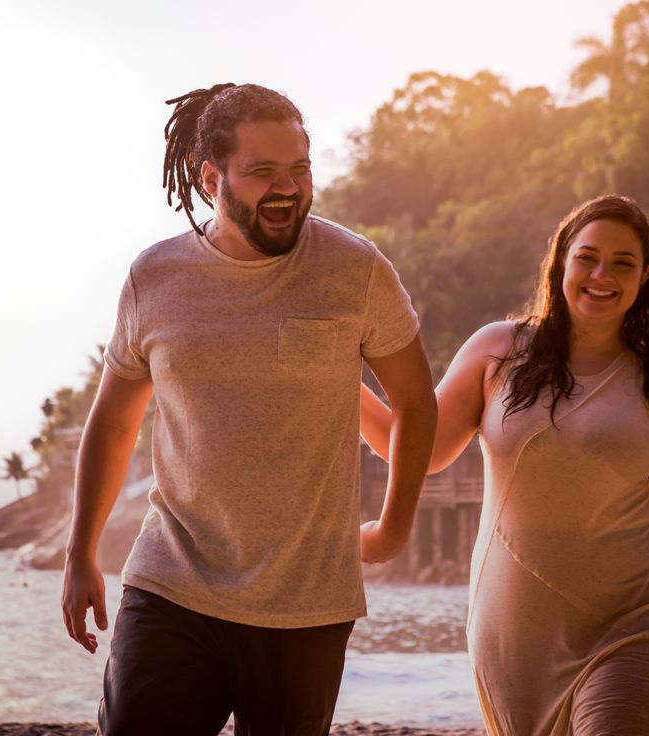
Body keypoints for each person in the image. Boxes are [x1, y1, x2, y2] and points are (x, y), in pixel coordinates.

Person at [61, 83, 438, 736]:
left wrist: (396, 526)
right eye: (263, 172)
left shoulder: (354, 269)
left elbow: (415, 402)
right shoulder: (155, 278)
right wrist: (79, 553)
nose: (287, 187)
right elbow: (116, 421)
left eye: (300, 168)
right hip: (172, 585)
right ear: (212, 178)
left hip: (307, 603)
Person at [360, 196, 649, 736]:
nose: (602, 275)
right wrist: (341, 380)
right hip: (515, 640)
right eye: (588, 258)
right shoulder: (498, 353)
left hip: (637, 624)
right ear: (561, 263)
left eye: (623, 263)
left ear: (646, 277)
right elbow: (415, 448)